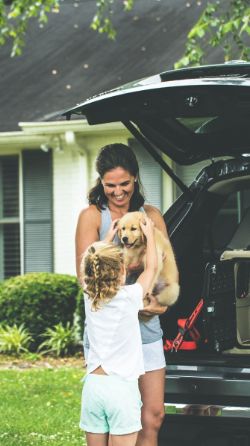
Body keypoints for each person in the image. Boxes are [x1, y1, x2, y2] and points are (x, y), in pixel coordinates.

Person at [76, 143, 171, 446]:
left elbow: (167, 262)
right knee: (112, 417)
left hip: (146, 329)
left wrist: (161, 304)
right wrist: (139, 265)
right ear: (100, 183)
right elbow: (86, 276)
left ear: (136, 178)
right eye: (110, 185)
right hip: (111, 336)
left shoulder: (150, 214)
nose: (118, 192)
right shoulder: (92, 217)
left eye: (125, 184)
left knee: (152, 416)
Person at [80, 215, 158, 446]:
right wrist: (150, 235)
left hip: (93, 387)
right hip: (121, 388)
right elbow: (152, 267)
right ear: (123, 270)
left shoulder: (89, 295)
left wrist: (107, 239)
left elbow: (94, 261)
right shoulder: (129, 296)